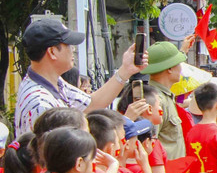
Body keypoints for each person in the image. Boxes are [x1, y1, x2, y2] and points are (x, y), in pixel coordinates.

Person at [14, 16, 148, 135]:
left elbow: (92, 104)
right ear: (52, 51)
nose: (73, 49)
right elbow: (54, 156)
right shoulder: (40, 103)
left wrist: (125, 71)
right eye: (68, 44)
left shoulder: (54, 82)